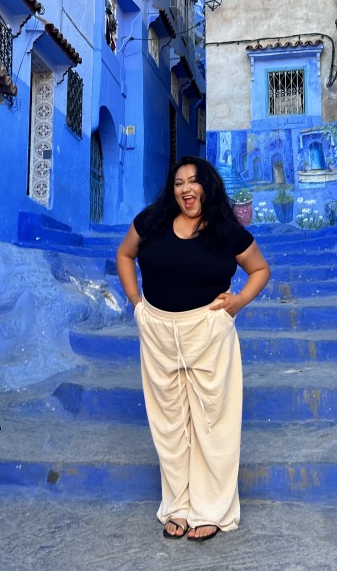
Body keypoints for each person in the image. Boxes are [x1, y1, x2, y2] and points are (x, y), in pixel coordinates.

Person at [116, 156, 271, 542]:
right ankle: (179, 507)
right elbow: (124, 255)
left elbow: (260, 270)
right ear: (173, 190)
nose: (186, 189)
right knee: (169, 423)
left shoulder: (225, 230)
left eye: (194, 181)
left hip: (208, 331)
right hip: (157, 331)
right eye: (179, 182)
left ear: (207, 187)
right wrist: (136, 303)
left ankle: (211, 509)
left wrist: (237, 302)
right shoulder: (152, 221)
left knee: (211, 421)